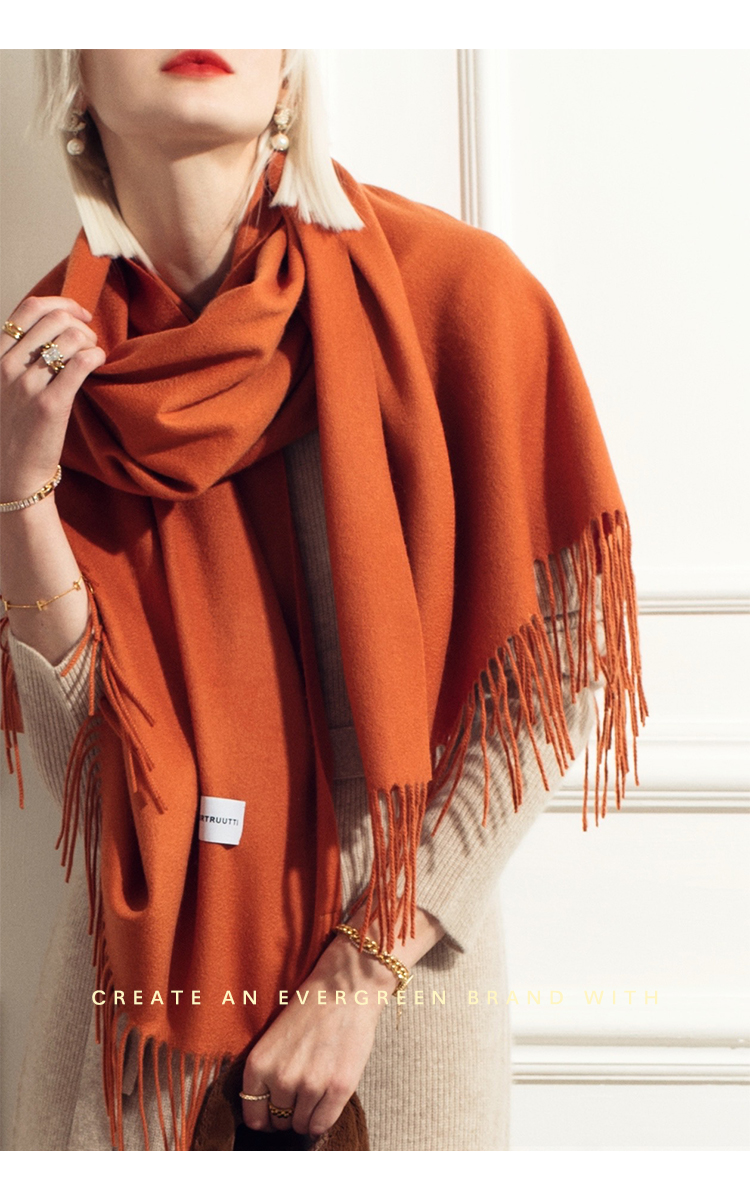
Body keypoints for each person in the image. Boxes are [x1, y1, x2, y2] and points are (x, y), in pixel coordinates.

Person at [0, 49, 647, 1152]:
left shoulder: (456, 297)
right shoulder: (49, 370)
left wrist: (363, 968)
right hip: (143, 1038)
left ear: (292, 74)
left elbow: (548, 688)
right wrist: (21, 490)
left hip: (404, 1008)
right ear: (77, 75)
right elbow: (99, 789)